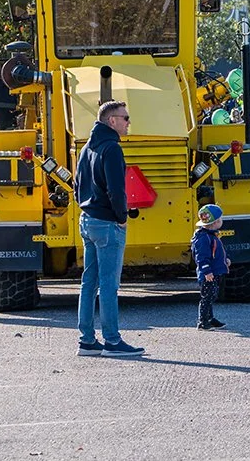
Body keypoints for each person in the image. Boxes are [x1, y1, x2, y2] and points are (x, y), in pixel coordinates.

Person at [73, 100, 144, 358]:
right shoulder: (112, 148)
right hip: (107, 223)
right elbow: (117, 189)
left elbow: (77, 185)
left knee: (89, 283)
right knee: (109, 285)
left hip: (87, 219)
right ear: (112, 121)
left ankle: (86, 340)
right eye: (125, 118)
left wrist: (87, 207)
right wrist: (121, 217)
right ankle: (112, 341)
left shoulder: (87, 147)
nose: (128, 122)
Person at [191, 204, 230, 331]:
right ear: (215, 222)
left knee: (212, 296)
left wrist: (225, 259)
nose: (221, 221)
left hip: (214, 272)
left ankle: (210, 318)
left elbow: (217, 252)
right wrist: (206, 271)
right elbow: (202, 257)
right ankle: (202, 321)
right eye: (220, 219)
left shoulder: (211, 235)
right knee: (207, 297)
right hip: (209, 274)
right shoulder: (204, 238)